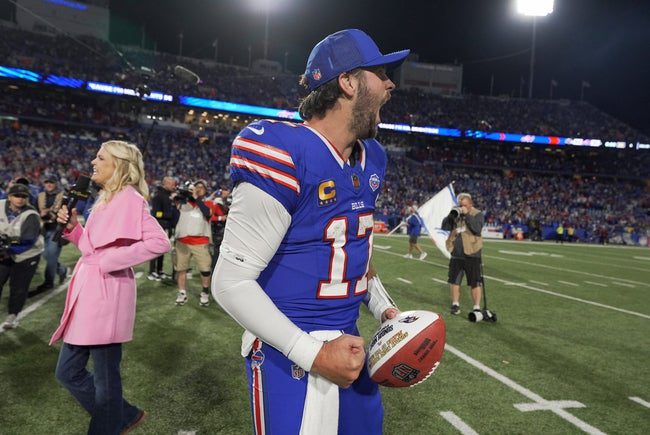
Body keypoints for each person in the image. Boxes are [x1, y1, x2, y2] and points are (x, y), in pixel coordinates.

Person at [212, 29, 408, 434]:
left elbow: (353, 253)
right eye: (380, 72)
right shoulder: (283, 151)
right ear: (348, 81)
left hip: (350, 342)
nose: (391, 83)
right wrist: (314, 354)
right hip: (289, 350)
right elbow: (230, 281)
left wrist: (383, 308)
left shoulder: (373, 158)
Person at [50, 140, 170, 434]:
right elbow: (91, 248)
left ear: (117, 165)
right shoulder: (104, 199)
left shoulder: (130, 199)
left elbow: (159, 242)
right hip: (89, 292)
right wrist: (73, 228)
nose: (93, 161)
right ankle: (125, 415)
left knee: (106, 383)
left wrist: (109, 261)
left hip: (106, 296)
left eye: (100, 157)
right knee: (68, 372)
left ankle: (108, 424)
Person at [0, 183, 44, 329]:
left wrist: (7, 249)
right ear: (9, 196)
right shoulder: (0, 206)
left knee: (18, 286)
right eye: (16, 195)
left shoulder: (31, 215)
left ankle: (12, 315)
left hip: (27, 254)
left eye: (23, 196)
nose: (20, 199)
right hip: (5, 252)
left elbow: (28, 240)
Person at [442, 192, 484, 317]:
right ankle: (455, 304)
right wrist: (450, 216)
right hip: (456, 253)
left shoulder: (477, 214)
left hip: (472, 253)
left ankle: (476, 307)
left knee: (475, 282)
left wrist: (467, 215)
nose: (462, 207)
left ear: (470, 204)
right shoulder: (457, 214)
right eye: (460, 205)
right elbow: (445, 226)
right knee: (454, 281)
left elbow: (477, 229)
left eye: (464, 205)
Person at [174, 179, 213, 307]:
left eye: (201, 187)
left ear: (205, 190)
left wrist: (195, 197)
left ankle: (205, 293)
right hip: (182, 241)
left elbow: (207, 213)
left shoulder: (208, 202)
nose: (198, 188)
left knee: (205, 270)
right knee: (181, 269)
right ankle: (182, 293)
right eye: (196, 187)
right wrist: (184, 194)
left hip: (200, 241)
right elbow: (176, 207)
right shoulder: (184, 201)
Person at [34, 176, 68, 294]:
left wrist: (52, 213)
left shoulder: (63, 196)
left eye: (51, 182)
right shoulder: (40, 196)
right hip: (43, 229)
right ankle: (62, 270)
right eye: (47, 182)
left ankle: (49, 282)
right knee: (46, 255)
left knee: (51, 256)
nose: (48, 184)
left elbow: (67, 211)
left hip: (56, 229)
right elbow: (34, 211)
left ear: (56, 184)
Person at [148, 176, 177, 281]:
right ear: (166, 184)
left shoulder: (169, 195)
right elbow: (156, 213)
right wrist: (168, 215)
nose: (174, 186)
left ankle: (159, 270)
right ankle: (152, 272)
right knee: (155, 249)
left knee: (162, 250)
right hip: (159, 225)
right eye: (172, 184)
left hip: (166, 225)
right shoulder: (158, 195)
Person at [207, 187, 230, 270]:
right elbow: (209, 217)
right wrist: (221, 218)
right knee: (216, 253)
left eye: (227, 191)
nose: (226, 193)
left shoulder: (227, 202)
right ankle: (214, 270)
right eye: (224, 191)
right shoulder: (217, 202)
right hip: (217, 231)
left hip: (224, 231)